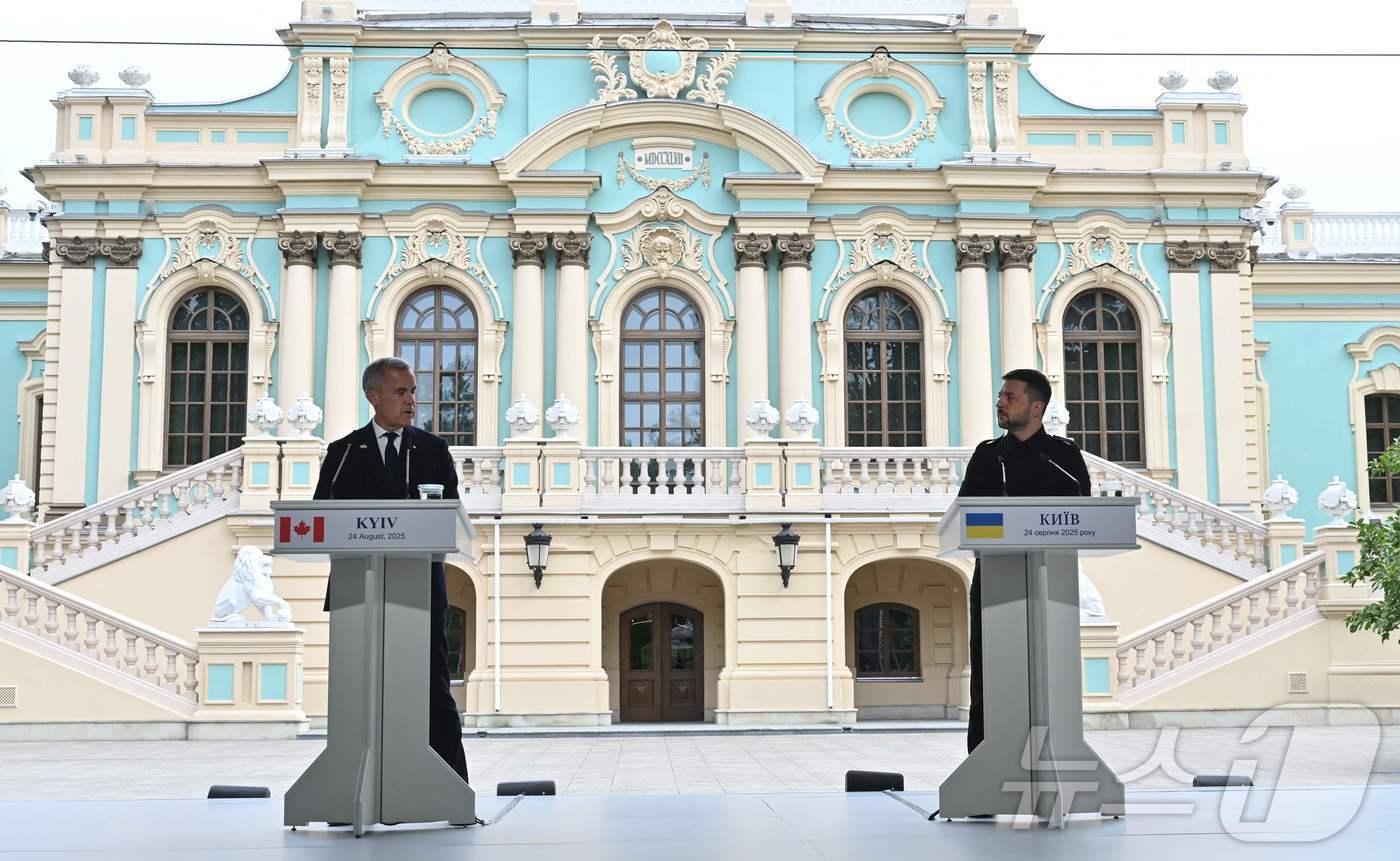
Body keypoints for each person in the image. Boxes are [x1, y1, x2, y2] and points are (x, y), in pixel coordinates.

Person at [313, 356, 469, 784]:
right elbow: (321, 516)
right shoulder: (343, 452)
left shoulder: (433, 450)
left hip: (418, 588)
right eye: (401, 392)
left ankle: (450, 784)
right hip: (357, 587)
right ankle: (351, 786)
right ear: (373, 395)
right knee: (356, 689)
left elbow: (451, 517)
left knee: (432, 687)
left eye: (413, 391)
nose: (411, 401)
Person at [957, 368, 1092, 754]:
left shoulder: (1064, 456)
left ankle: (1059, 756)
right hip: (996, 582)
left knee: (1051, 671)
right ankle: (984, 763)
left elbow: (1083, 511)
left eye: (1010, 397)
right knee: (991, 675)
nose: (1000, 402)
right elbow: (964, 515)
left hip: (1052, 580)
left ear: (1036, 407)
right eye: (1000, 396)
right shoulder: (988, 457)